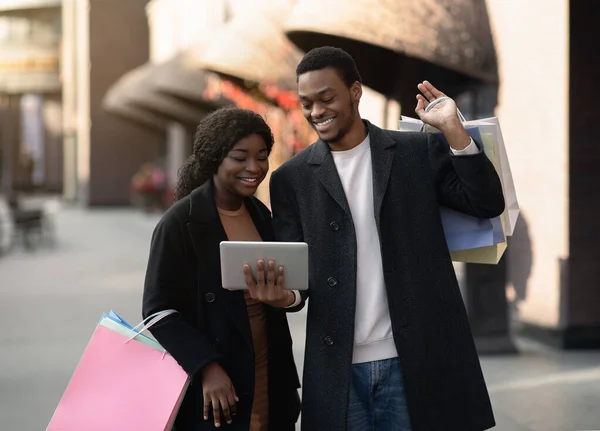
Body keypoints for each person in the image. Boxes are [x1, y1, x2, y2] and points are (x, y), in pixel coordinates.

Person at [267, 46, 505, 430]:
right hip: (337, 369)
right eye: (307, 103)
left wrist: (454, 131)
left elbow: (486, 203)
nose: (316, 112)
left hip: (417, 359)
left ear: (355, 91)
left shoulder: (416, 151)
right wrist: (287, 297)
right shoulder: (291, 179)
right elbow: (299, 281)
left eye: (326, 98)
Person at [142, 107, 301, 431]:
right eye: (240, 157)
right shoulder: (179, 222)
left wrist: (285, 298)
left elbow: (295, 287)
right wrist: (207, 367)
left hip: (269, 376)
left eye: (262, 156)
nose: (254, 168)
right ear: (216, 159)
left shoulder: (261, 214)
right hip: (219, 387)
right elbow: (158, 312)